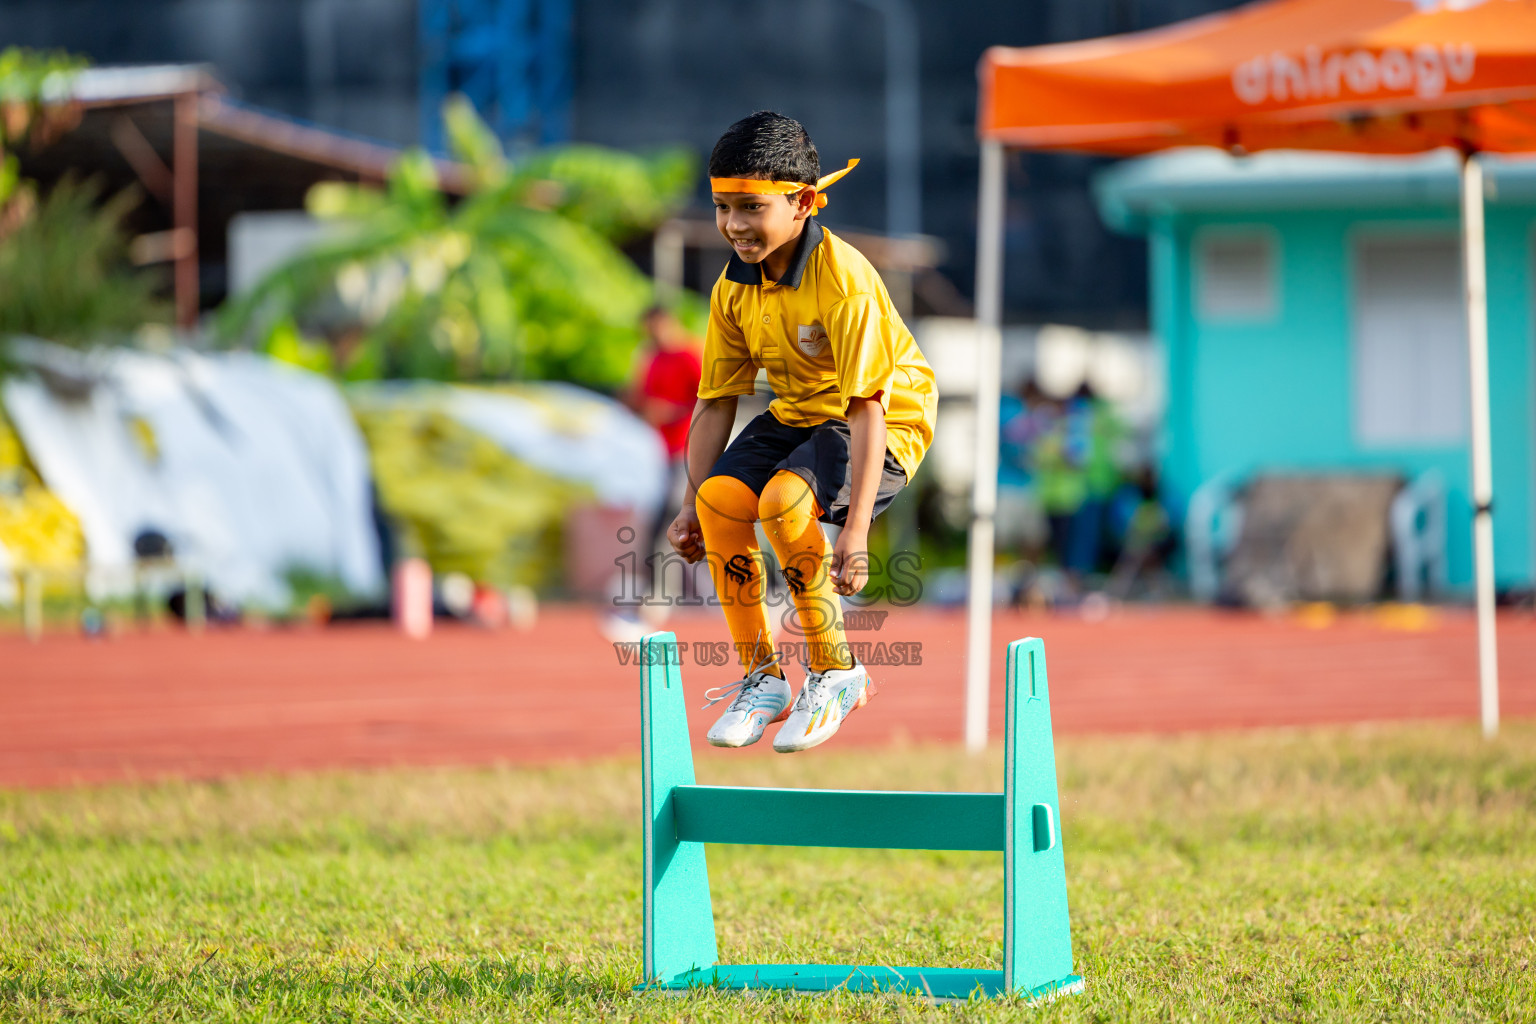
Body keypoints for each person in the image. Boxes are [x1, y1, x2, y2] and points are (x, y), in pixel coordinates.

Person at [667, 111, 937, 753]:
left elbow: (868, 409)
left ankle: (837, 671)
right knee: (721, 500)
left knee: (784, 502)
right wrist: (688, 506)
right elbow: (714, 404)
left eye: (751, 208)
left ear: (804, 203)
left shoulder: (843, 281)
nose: (734, 225)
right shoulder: (731, 287)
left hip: (881, 420)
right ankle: (762, 678)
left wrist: (858, 531)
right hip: (798, 410)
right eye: (722, 207)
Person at [625, 306, 703, 605]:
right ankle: (657, 591)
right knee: (660, 521)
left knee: (674, 517)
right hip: (660, 452)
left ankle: (660, 592)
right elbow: (643, 398)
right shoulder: (651, 357)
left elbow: (709, 402)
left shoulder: (690, 354)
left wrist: (671, 412)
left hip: (690, 449)